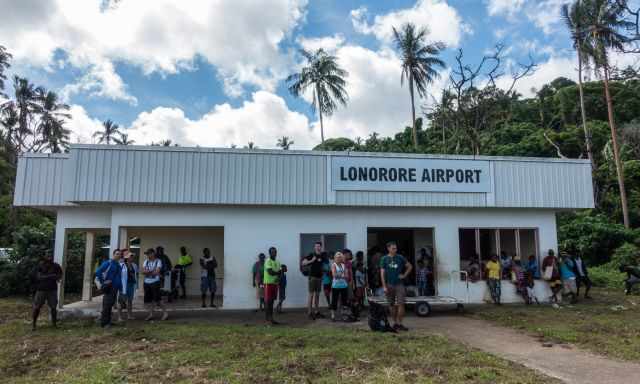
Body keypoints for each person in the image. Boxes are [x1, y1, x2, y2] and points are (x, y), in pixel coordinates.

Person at [380, 241, 413, 331]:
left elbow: (410, 266)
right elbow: (382, 273)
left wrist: (404, 275)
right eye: (393, 248)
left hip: (399, 284)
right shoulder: (384, 259)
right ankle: (394, 323)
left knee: (401, 304)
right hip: (389, 284)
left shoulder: (400, 257)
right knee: (391, 305)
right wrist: (384, 286)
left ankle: (399, 323)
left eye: (396, 248)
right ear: (388, 248)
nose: (395, 250)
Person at [31, 252, 63, 331]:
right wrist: (52, 276)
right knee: (37, 307)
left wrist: (47, 277)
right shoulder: (40, 265)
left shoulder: (56, 266)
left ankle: (54, 324)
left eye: (51, 256)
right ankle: (34, 324)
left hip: (52, 289)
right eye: (48, 255)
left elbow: (59, 276)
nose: (49, 257)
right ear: (44, 256)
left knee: (53, 307)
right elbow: (39, 277)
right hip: (41, 289)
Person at [95, 249, 123, 328]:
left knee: (110, 305)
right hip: (109, 288)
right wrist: (103, 282)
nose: (119, 255)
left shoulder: (118, 265)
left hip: (115, 288)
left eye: (120, 254)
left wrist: (120, 288)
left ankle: (108, 321)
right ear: (113, 254)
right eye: (117, 254)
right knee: (107, 305)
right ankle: (104, 323)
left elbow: (119, 277)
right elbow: (98, 272)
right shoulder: (108, 263)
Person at [301, 241, 325, 319]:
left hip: (319, 277)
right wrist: (312, 260)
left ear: (321, 247)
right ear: (314, 247)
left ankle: (316, 312)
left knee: (317, 295)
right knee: (311, 295)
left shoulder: (322, 256)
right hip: (312, 277)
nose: (318, 247)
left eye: (319, 246)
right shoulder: (311, 255)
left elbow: (323, 265)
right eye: (316, 246)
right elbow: (303, 263)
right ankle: (309, 313)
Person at [142, 248, 168, 321]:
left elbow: (157, 272)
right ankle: (151, 314)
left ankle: (165, 313)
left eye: (149, 253)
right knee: (149, 300)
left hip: (155, 282)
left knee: (158, 299)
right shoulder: (145, 261)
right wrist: (151, 272)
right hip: (147, 282)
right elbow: (143, 271)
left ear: (153, 253)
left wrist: (148, 272)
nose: (147, 255)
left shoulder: (158, 261)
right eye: (147, 254)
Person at [117, 249, 139, 322]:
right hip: (123, 285)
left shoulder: (134, 265)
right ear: (126, 257)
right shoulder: (121, 265)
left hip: (131, 285)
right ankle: (119, 317)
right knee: (121, 301)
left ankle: (129, 315)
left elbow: (136, 274)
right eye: (130, 256)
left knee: (130, 300)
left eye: (132, 256)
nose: (132, 257)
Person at [263, 246, 282, 325]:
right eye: (273, 252)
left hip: (275, 283)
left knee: (272, 302)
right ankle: (267, 320)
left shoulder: (277, 262)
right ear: (270, 253)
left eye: (275, 251)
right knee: (268, 302)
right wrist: (278, 273)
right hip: (268, 283)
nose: (274, 253)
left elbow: (281, 271)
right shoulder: (268, 261)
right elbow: (270, 272)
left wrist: (279, 275)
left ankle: (271, 319)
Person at [330, 251, 350, 321]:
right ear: (335, 258)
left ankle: (344, 315)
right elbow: (334, 276)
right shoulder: (333, 265)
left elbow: (347, 276)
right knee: (334, 301)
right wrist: (342, 275)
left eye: (340, 257)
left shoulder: (344, 265)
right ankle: (333, 315)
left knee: (344, 301)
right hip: (335, 286)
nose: (339, 258)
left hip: (344, 285)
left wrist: (340, 275)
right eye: (337, 257)